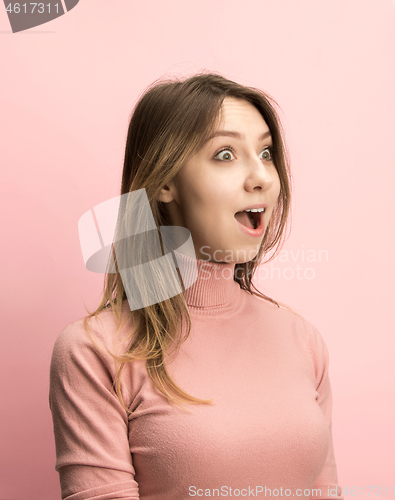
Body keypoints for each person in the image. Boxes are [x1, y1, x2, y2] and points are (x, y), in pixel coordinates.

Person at [49, 72, 343, 500]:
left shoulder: (303, 340)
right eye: (225, 154)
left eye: (265, 152)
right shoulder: (94, 352)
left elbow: (325, 491)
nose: (261, 176)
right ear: (165, 181)